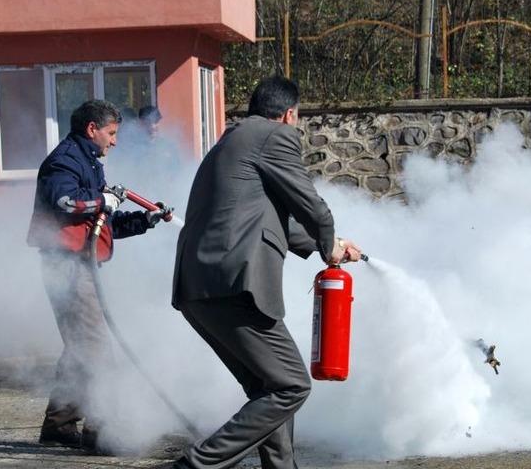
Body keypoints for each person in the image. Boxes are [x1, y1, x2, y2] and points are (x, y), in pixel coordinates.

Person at [171, 76, 362, 469]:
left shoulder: (233, 141)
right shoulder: (273, 136)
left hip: (199, 286)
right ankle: (195, 465)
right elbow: (310, 203)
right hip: (232, 285)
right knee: (291, 384)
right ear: (289, 114)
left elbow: (269, 218)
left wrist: (328, 246)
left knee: (269, 387)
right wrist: (328, 240)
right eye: (297, 118)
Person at [27, 99, 172, 453]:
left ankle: (59, 426)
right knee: (96, 350)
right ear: (92, 129)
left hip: (78, 265)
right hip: (67, 267)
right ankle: (101, 431)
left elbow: (101, 223)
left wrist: (143, 220)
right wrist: (102, 201)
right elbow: (66, 203)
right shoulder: (64, 161)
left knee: (80, 348)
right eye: (111, 133)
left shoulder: (88, 163)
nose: (115, 141)